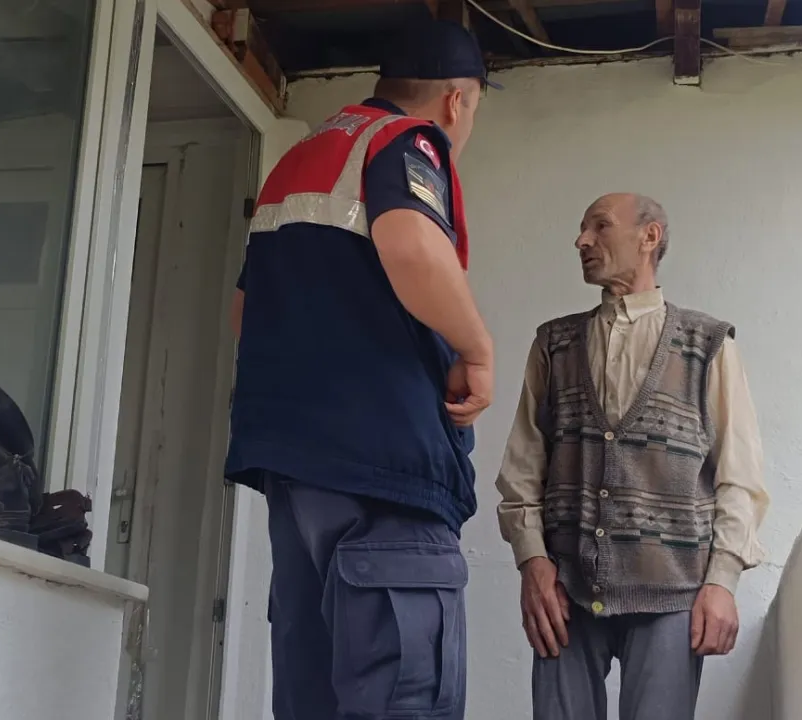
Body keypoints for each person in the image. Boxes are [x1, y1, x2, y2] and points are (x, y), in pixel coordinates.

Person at [224, 19, 497, 720]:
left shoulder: (299, 161)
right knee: (402, 695)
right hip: (385, 472)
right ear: (457, 101)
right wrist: (476, 350)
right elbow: (411, 246)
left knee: (311, 695)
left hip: (296, 476)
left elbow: (244, 313)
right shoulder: (405, 141)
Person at [495, 193, 770, 719]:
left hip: (673, 593)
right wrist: (532, 561)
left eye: (600, 226)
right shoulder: (554, 344)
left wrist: (722, 581)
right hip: (565, 591)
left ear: (650, 236)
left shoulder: (707, 344)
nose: (582, 240)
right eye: (582, 229)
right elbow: (523, 466)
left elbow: (739, 476)